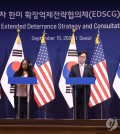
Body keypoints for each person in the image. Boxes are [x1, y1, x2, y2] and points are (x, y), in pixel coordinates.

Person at [69, 51, 95, 119]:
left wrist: (89, 80)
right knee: (76, 107)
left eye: (83, 57)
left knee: (85, 108)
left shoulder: (89, 67)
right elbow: (70, 78)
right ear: (78, 57)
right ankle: (75, 123)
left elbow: (93, 77)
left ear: (86, 58)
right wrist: (72, 83)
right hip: (76, 91)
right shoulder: (73, 67)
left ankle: (85, 123)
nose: (82, 58)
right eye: (80, 57)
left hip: (85, 91)